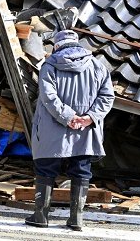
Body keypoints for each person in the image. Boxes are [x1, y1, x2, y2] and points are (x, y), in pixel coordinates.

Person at [25, 29, 114, 231]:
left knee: (46, 169)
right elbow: (107, 97)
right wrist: (89, 118)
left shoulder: (49, 66)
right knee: (81, 171)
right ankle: (76, 219)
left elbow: (48, 97)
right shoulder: (98, 66)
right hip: (85, 130)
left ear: (57, 46)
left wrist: (68, 117)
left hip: (51, 129)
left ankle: (41, 216)